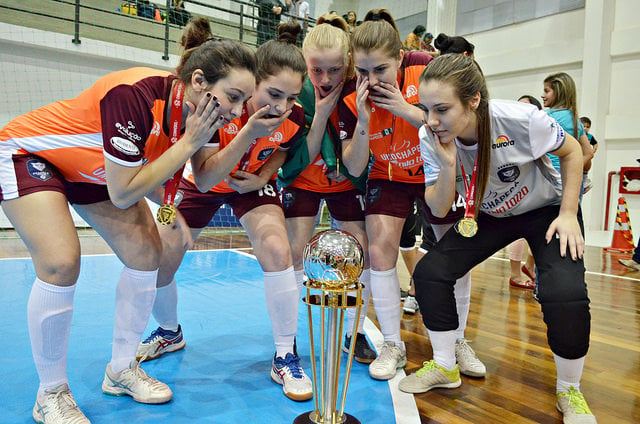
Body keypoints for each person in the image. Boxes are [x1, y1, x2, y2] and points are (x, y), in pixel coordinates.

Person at [0, 16, 257, 423]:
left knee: (147, 254)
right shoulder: (134, 94)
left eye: (245, 101)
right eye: (234, 97)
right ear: (199, 82)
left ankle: (120, 369)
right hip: (31, 154)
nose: (238, 109)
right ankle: (50, 393)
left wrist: (247, 134)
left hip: (93, 171)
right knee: (61, 262)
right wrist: (189, 142)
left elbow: (203, 178)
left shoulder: (206, 116)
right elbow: (123, 192)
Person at [400, 53, 597, 424]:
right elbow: (439, 209)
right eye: (424, 108)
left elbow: (572, 152)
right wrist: (445, 165)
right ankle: (445, 366)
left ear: (473, 100)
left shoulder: (519, 119)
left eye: (441, 108)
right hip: (489, 214)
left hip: (546, 211)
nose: (431, 120)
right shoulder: (431, 134)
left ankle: (570, 388)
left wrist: (569, 213)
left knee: (563, 293)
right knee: (429, 273)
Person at [137, 22, 315, 402]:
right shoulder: (217, 108)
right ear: (252, 84)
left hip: (250, 183)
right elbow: (204, 177)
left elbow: (287, 146)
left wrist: (265, 174)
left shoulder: (294, 116)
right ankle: (169, 332)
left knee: (277, 250)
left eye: (291, 96)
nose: (281, 106)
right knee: (159, 259)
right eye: (272, 94)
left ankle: (285, 355)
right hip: (205, 180)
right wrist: (248, 133)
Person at [340, 9, 485, 381]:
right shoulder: (351, 95)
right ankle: (392, 343)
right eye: (362, 72)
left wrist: (405, 110)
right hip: (387, 174)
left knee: (455, 253)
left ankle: (456, 340)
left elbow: (457, 124)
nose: (370, 80)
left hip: (435, 170)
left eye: (381, 70)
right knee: (379, 249)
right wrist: (365, 121)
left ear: (400, 59)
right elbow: (355, 167)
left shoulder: (427, 70)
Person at [277, 13, 376, 364]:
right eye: (317, 70)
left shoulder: (358, 85)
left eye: (334, 70)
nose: (325, 78)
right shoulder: (296, 87)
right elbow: (297, 154)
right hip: (303, 177)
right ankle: (286, 341)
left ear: (347, 63)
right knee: (292, 253)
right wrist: (320, 113)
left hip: (344, 181)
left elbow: (365, 145)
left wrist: (347, 173)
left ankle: (355, 331)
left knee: (360, 248)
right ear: (305, 63)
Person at [506, 94, 543, 289]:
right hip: (514, 189)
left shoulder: (538, 130)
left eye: (524, 106)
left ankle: (529, 266)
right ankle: (515, 275)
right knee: (519, 231)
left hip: (535, 187)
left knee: (538, 229)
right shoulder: (507, 130)